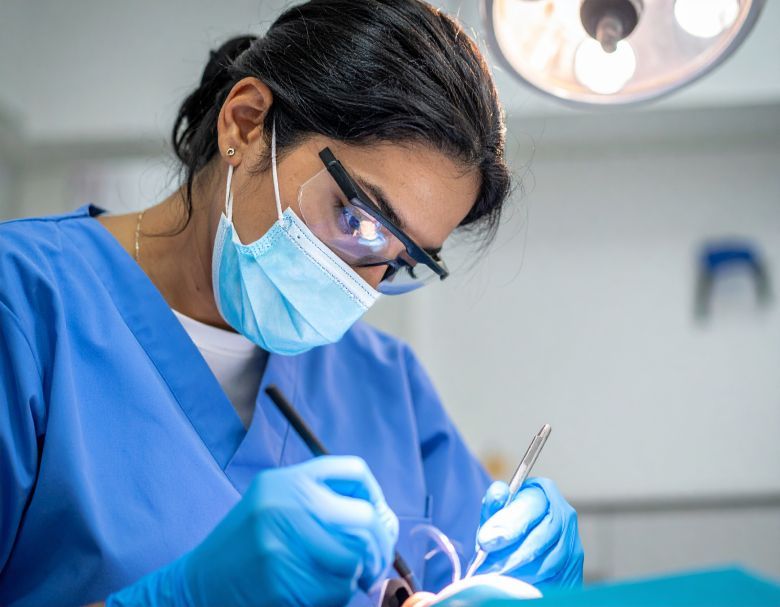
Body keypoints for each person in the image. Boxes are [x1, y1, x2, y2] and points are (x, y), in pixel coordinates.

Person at [0, 1, 583, 605]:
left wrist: (529, 583)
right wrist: (182, 598)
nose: (363, 283)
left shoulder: (389, 385)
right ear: (245, 124)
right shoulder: (22, 307)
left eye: (404, 260)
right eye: (356, 219)